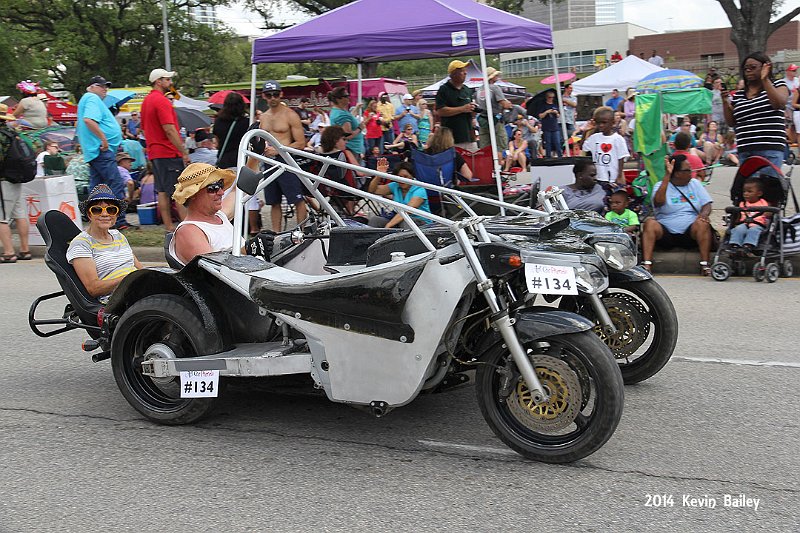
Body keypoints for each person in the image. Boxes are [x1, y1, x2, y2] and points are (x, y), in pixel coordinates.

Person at [169, 163, 275, 266]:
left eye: (221, 185)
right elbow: (212, 267)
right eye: (213, 188)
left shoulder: (220, 216)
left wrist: (254, 157)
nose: (221, 192)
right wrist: (248, 249)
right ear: (192, 194)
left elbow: (240, 189)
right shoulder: (188, 231)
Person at [641, 154, 713, 275]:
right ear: (678, 173)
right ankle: (647, 265)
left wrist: (704, 214)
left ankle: (705, 265)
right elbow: (658, 202)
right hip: (666, 232)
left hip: (690, 231)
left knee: (702, 223)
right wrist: (667, 176)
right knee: (649, 223)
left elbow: (707, 204)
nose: (692, 172)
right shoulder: (660, 185)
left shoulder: (695, 184)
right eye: (688, 170)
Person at [66, 185, 142, 300]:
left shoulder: (118, 236)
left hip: (139, 288)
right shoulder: (81, 244)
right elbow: (93, 288)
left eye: (111, 210)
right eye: (97, 210)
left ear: (116, 215)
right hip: (118, 300)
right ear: (89, 214)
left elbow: (140, 269)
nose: (105, 214)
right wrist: (130, 278)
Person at [76, 75, 132, 229]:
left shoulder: (87, 99)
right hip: (100, 149)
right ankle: (118, 221)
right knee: (115, 183)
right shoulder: (92, 98)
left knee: (97, 187)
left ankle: (97, 220)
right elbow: (89, 120)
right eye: (101, 86)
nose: (105, 89)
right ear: (92, 87)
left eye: (106, 86)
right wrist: (103, 138)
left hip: (94, 151)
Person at [140, 68, 190, 231]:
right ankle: (186, 227)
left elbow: (144, 128)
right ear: (158, 81)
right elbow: (169, 129)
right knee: (178, 192)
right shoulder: (162, 101)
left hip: (155, 153)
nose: (170, 82)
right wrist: (183, 151)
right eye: (167, 79)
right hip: (168, 152)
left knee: (162, 191)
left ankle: (169, 227)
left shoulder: (146, 101)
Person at [723, 52, 789, 173]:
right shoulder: (739, 95)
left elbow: (779, 103)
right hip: (745, 150)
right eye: (745, 68)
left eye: (753, 67)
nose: (748, 71)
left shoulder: (777, 85)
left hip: (770, 148)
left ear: (765, 67)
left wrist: (765, 79)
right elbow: (731, 122)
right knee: (748, 185)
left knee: (768, 184)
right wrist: (725, 102)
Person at [258, 80, 309, 230]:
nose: (273, 98)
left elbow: (300, 143)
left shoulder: (290, 115)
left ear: (281, 94)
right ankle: (276, 234)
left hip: (286, 160)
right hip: (269, 162)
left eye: (275, 94)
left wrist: (279, 150)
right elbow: (259, 140)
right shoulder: (264, 117)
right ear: (264, 96)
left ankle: (301, 232)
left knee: (297, 199)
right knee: (274, 201)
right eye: (269, 95)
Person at [0, 104, 32, 263]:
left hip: (4, 181)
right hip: (16, 179)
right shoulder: (12, 133)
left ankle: (8, 253)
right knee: (20, 215)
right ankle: (25, 250)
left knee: (1, 218)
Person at [368, 160, 432, 228]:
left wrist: (388, 226)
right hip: (399, 220)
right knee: (375, 220)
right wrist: (379, 175)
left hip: (421, 224)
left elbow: (407, 210)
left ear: (412, 176)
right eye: (400, 177)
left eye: (405, 177)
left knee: (406, 222)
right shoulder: (395, 185)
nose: (402, 180)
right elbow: (372, 190)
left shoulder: (419, 189)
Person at [436, 60, 477, 150]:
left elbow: (471, 113)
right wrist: (462, 109)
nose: (465, 73)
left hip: (469, 136)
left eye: (465, 70)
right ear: (453, 74)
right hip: (451, 138)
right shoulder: (444, 89)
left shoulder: (467, 90)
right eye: (462, 71)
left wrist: (473, 110)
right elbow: (440, 111)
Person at [584, 106, 629, 187]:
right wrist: (586, 131)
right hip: (598, 177)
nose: (601, 125)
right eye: (598, 123)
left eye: (604, 122)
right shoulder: (594, 137)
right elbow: (583, 147)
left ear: (613, 123)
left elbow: (621, 158)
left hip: (612, 178)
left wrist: (619, 176)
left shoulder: (618, 139)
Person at [729, 177, 770, 253]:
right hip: (744, 223)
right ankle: (735, 245)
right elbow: (739, 216)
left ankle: (748, 245)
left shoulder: (763, 203)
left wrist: (768, 212)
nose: (745, 194)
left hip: (758, 224)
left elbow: (768, 213)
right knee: (738, 229)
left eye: (749, 191)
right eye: (744, 191)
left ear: (759, 193)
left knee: (753, 230)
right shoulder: (742, 204)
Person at [476, 67, 512, 150]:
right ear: (492, 77)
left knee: (485, 147)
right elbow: (504, 104)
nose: (497, 76)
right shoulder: (495, 88)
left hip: (483, 120)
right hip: (495, 120)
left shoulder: (479, 89)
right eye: (496, 75)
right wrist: (508, 104)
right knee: (501, 146)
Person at [329, 86, 365, 163]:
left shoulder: (338, 111)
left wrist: (356, 108)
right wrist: (360, 128)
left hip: (351, 149)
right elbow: (347, 135)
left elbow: (349, 118)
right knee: (355, 170)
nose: (349, 98)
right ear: (338, 99)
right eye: (346, 96)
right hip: (351, 149)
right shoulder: (341, 115)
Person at [535, 90, 563, 158]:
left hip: (555, 126)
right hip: (546, 127)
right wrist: (547, 112)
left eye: (552, 97)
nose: (551, 99)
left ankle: (560, 156)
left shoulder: (555, 105)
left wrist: (556, 112)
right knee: (548, 143)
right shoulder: (543, 105)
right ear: (547, 97)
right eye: (550, 97)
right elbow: (540, 116)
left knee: (557, 142)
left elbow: (558, 115)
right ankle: (548, 157)